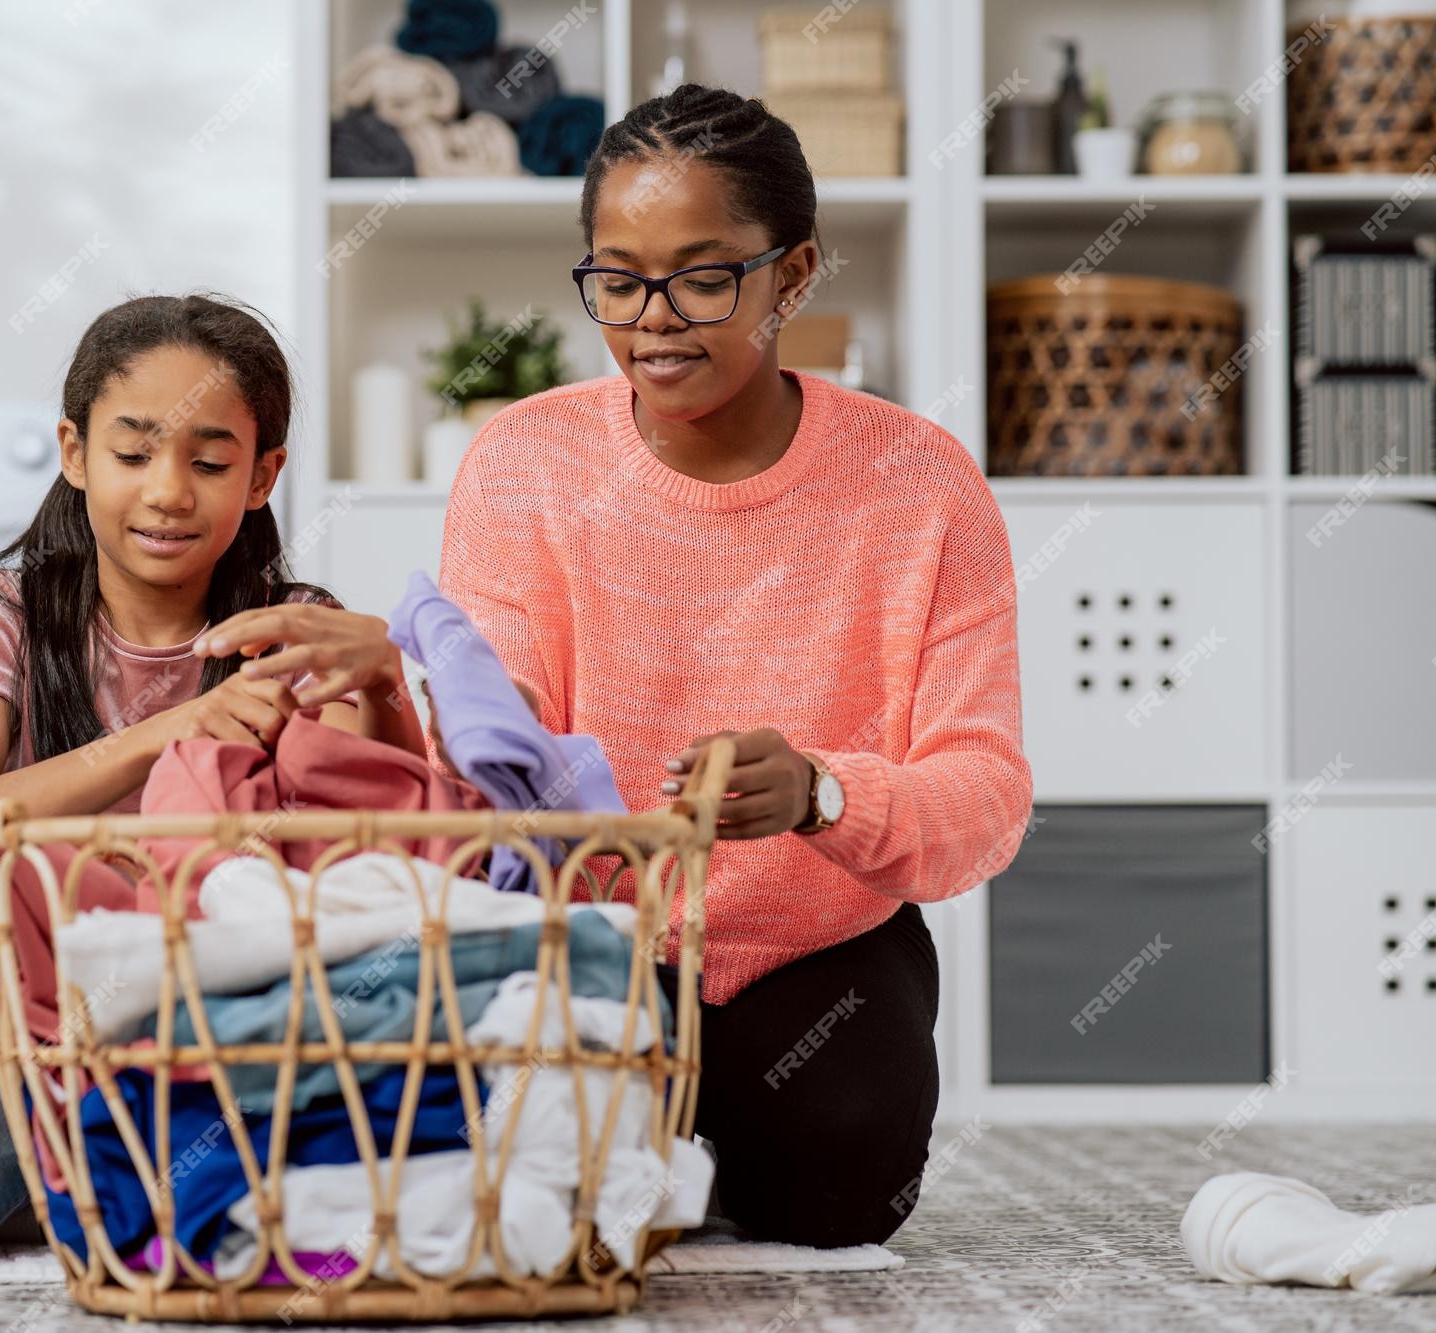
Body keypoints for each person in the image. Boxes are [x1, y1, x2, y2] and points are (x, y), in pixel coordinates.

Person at [209, 85, 1033, 1248]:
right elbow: (501, 750)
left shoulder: (920, 485)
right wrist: (400, 681)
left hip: (817, 942)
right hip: (590, 938)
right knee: (537, 1169)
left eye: (703, 278)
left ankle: (694, 1146)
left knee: (847, 1194)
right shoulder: (525, 460)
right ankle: (658, 1142)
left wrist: (821, 791)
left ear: (792, 274)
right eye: (616, 278)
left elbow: (984, 798)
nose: (652, 319)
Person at [0, 293, 422, 1265]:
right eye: (133, 454)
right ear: (74, 451)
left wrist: (380, 684)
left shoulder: (290, 626)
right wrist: (173, 731)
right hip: (47, 1041)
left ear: (262, 475)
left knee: (351, 1197)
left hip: (246, 1038)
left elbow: (387, 855)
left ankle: (75, 1187)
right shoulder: (6, 610)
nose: (168, 491)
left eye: (209, 461)